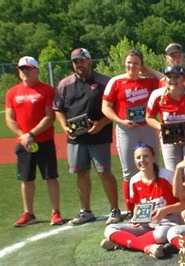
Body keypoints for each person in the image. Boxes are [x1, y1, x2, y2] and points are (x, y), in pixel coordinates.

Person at [54, 48, 121, 225]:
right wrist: (64, 127)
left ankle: (115, 209)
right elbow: (58, 109)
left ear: (90, 61)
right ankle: (86, 211)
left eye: (82, 61)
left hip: (99, 135)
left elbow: (116, 108)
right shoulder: (64, 84)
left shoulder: (105, 82)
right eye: (76, 62)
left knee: (104, 172)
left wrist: (101, 124)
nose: (79, 64)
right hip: (76, 137)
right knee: (81, 173)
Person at [100, 144, 185, 258]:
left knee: (161, 234)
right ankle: (146, 247)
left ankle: (123, 243)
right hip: (146, 226)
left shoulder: (167, 176)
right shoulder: (134, 180)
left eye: (146, 156)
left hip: (168, 223)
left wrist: (165, 210)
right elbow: (138, 208)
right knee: (110, 229)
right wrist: (136, 218)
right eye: (138, 157)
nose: (142, 160)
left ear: (153, 157)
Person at [102, 49, 160, 217]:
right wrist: (120, 121)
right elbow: (105, 107)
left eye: (136, 63)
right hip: (126, 129)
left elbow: (165, 80)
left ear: (141, 65)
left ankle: (154, 203)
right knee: (129, 171)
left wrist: (148, 70)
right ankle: (131, 210)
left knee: (152, 166)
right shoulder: (116, 81)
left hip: (147, 127)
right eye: (129, 62)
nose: (131, 66)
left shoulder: (149, 82)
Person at [5, 56, 62, 227]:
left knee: (50, 177)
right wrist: (23, 136)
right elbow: (9, 118)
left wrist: (32, 134)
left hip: (44, 140)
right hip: (23, 143)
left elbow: (49, 117)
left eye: (28, 69)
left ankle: (56, 212)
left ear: (36, 70)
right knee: (26, 179)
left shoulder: (46, 90)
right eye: (22, 69)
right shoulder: (12, 92)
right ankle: (28, 213)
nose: (25, 72)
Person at [146, 65, 185, 179]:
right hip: (169, 139)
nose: (172, 80)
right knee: (174, 176)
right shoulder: (157, 95)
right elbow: (149, 117)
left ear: (184, 79)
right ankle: (178, 197)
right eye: (169, 77)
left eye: (177, 77)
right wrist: (162, 127)